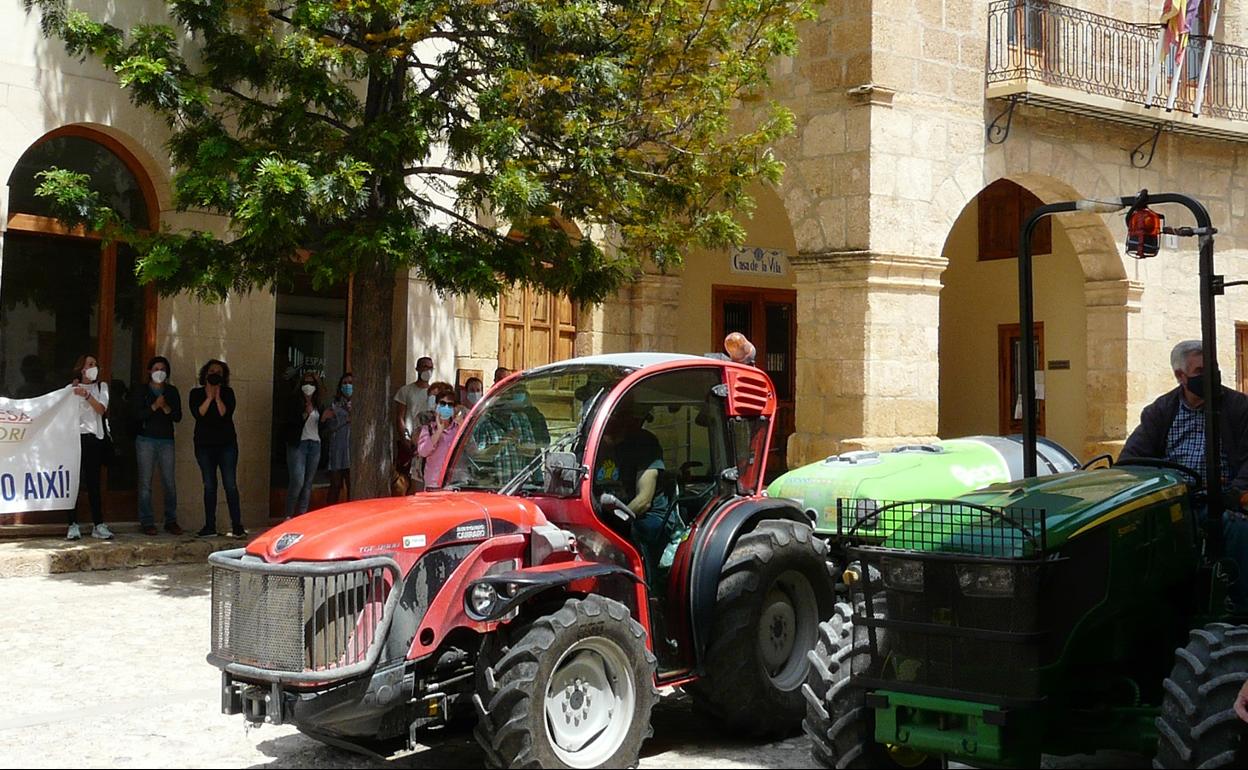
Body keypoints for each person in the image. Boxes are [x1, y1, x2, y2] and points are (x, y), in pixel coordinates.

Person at [1120, 340, 1248, 610]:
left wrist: (1234, 493)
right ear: (1181, 377)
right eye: (1201, 371)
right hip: (1173, 501)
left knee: (1237, 528)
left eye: (1212, 368)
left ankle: (1240, 608)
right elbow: (1131, 461)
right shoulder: (1160, 411)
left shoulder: (1239, 408)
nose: (1210, 376)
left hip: (1222, 501)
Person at [594, 403, 675, 577]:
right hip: (609, 514)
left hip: (646, 517)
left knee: (630, 535)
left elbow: (644, 501)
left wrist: (610, 529)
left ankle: (646, 587)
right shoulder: (595, 444)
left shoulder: (644, 444)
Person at [189, 359, 245, 538]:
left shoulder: (228, 393)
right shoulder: (195, 393)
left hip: (226, 445)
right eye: (212, 371)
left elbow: (225, 414)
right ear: (205, 373)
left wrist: (218, 397)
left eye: (219, 372)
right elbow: (199, 414)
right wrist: (209, 397)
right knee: (209, 485)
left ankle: (237, 525)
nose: (215, 374)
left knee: (230, 484)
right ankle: (209, 525)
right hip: (204, 445)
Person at [132, 356, 183, 536]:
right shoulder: (141, 391)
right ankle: (147, 521)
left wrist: (166, 407)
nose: (159, 372)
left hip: (166, 441)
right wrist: (154, 406)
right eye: (156, 368)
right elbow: (137, 415)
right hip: (146, 440)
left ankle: (171, 520)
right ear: (149, 371)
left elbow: (177, 416)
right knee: (145, 483)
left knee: (169, 482)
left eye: (162, 369)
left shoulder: (172, 392)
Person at [67, 354, 113, 541]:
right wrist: (74, 390)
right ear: (82, 368)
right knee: (74, 484)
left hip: (94, 440)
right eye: (90, 364)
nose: (94, 367)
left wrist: (86, 395)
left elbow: (101, 409)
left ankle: (98, 524)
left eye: (96, 364)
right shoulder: (71, 389)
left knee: (94, 483)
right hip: (75, 440)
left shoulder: (101, 387)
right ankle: (72, 524)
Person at [283, 370, 329, 518]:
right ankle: (288, 515)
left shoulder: (319, 404)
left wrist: (323, 419)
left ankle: (301, 515)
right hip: (298, 445)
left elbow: (323, 429)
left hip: (315, 444)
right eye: (305, 383)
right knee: (297, 481)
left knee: (308, 483)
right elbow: (288, 423)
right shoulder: (294, 401)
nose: (308, 386)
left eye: (311, 383)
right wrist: (304, 414)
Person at [394, 356, 435, 491]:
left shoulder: (434, 393)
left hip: (428, 443)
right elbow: (399, 417)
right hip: (410, 443)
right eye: (424, 366)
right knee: (405, 481)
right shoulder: (405, 391)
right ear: (417, 369)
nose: (427, 370)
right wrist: (404, 439)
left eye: (430, 367)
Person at [419, 388, 463, 488]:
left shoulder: (458, 428)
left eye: (450, 405)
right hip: (433, 484)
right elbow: (423, 452)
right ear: (437, 406)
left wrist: (462, 426)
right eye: (442, 404)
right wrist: (439, 431)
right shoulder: (428, 429)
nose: (446, 407)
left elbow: (472, 450)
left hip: (455, 483)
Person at [323, 373, 352, 505]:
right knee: (335, 486)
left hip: (352, 453)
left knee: (352, 486)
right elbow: (329, 425)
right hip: (337, 452)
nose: (347, 385)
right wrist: (345, 419)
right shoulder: (334, 404)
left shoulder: (360, 404)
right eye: (345, 383)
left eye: (350, 383)